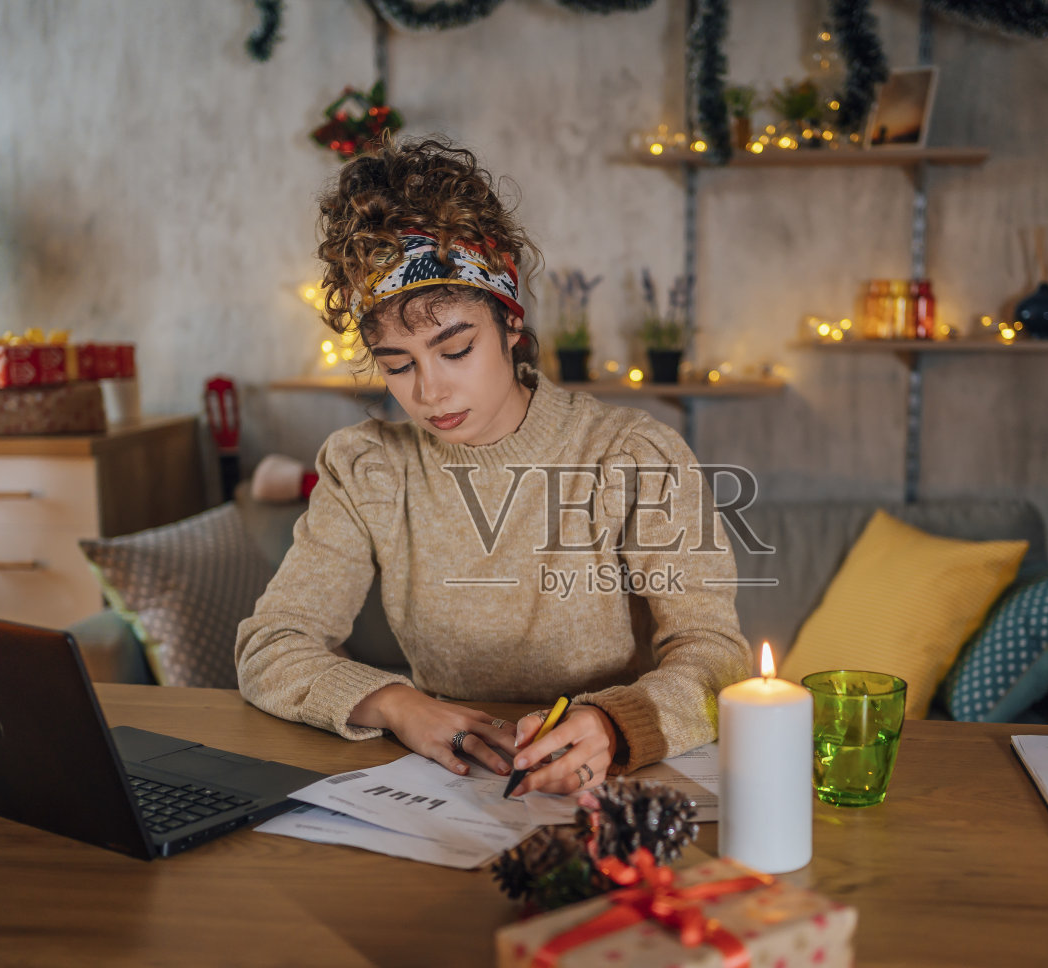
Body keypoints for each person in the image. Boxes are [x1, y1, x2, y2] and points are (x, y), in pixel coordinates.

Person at [235, 136, 750, 796]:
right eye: (398, 363)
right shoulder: (368, 467)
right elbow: (270, 645)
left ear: (510, 322)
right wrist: (396, 704)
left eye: (456, 348)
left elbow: (717, 655)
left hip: (615, 789)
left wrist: (617, 724)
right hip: (447, 791)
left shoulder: (631, 457)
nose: (430, 391)